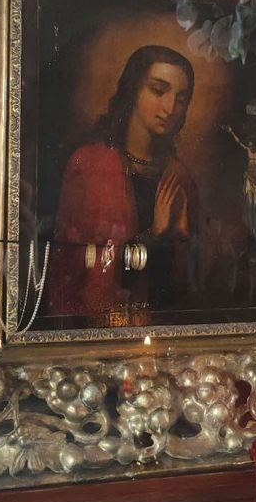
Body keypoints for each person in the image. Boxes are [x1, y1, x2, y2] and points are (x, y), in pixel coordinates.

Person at [48, 45, 200, 318]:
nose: (170, 108)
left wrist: (181, 239)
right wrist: (155, 234)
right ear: (133, 90)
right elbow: (74, 267)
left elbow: (184, 290)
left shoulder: (180, 178)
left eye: (180, 98)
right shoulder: (89, 164)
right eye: (158, 91)